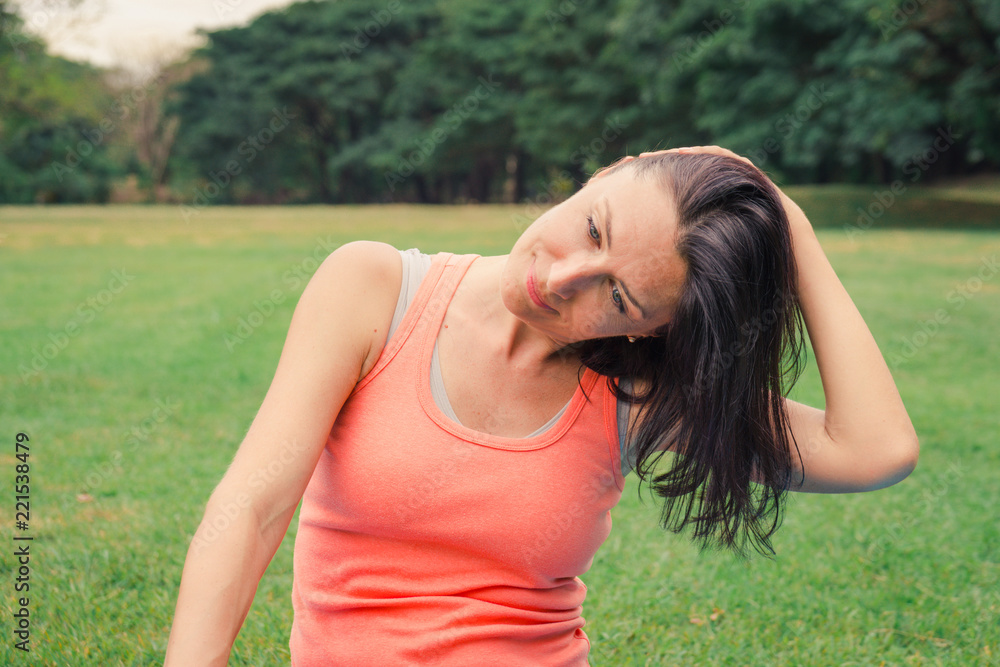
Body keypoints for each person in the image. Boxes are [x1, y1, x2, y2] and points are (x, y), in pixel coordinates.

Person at [164, 145, 918, 666]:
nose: (563, 278)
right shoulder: (373, 289)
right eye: (593, 227)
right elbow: (253, 506)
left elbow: (874, 447)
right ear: (605, 172)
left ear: (654, 328)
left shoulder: (636, 397)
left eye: (617, 295)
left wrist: (793, 230)